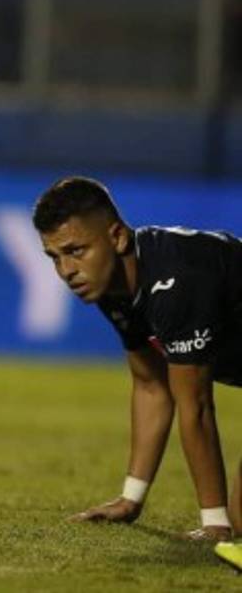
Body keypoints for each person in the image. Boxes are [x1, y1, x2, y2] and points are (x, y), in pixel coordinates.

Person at [31, 176, 242, 557]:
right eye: (55, 257)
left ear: (117, 238)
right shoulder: (113, 288)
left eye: (76, 250)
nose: (66, 270)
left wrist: (215, 525)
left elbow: (195, 405)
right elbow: (151, 387)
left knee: (236, 527)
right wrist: (131, 500)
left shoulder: (177, 280)